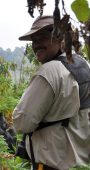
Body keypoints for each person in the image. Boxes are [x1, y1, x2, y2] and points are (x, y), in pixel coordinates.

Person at [12, 15, 90, 170]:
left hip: (52, 163)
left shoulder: (49, 72)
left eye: (42, 38)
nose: (36, 45)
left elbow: (22, 122)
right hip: (81, 161)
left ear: (60, 38)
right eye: (34, 41)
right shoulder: (82, 65)